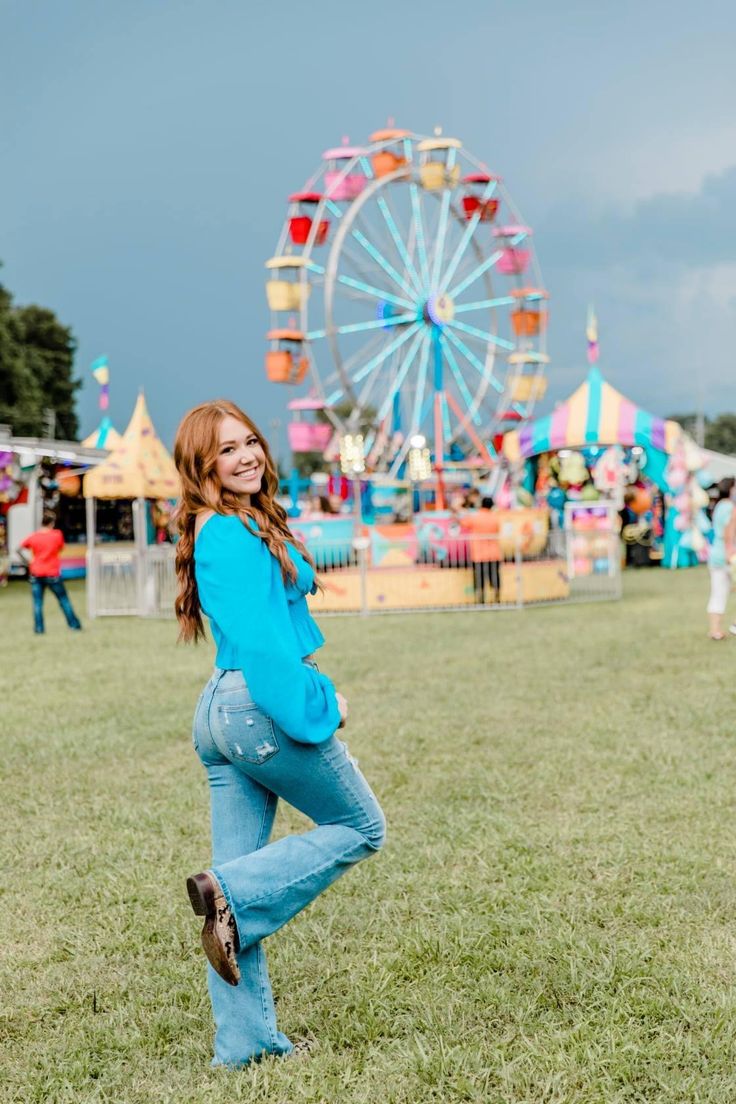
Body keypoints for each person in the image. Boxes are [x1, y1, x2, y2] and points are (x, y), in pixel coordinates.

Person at [173, 399, 385, 1067]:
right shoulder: (228, 534)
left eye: (250, 442)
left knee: (233, 898)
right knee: (361, 827)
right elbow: (265, 649)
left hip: (223, 711)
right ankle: (232, 897)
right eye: (226, 451)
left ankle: (244, 1044)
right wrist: (320, 704)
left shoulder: (233, 525)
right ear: (199, 468)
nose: (246, 456)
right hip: (255, 706)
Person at [17, 510, 82, 634]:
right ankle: (74, 625)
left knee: (37, 603)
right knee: (63, 600)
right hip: (52, 573)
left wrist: (28, 562)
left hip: (36, 573)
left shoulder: (34, 536)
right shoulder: (57, 535)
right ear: (52, 523)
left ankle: (39, 629)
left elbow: (18, 549)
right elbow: (61, 548)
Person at [706, 477, 736, 640]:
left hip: (716, 554)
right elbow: (728, 532)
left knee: (718, 593)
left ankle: (715, 630)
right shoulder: (730, 508)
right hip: (729, 555)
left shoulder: (718, 506)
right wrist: (729, 552)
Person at [458, 495, 502, 604]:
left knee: (479, 578)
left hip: (479, 554)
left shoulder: (475, 517)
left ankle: (480, 599)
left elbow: (463, 522)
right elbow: (498, 529)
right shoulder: (495, 518)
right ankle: (496, 598)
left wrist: (463, 508)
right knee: (494, 577)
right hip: (494, 553)